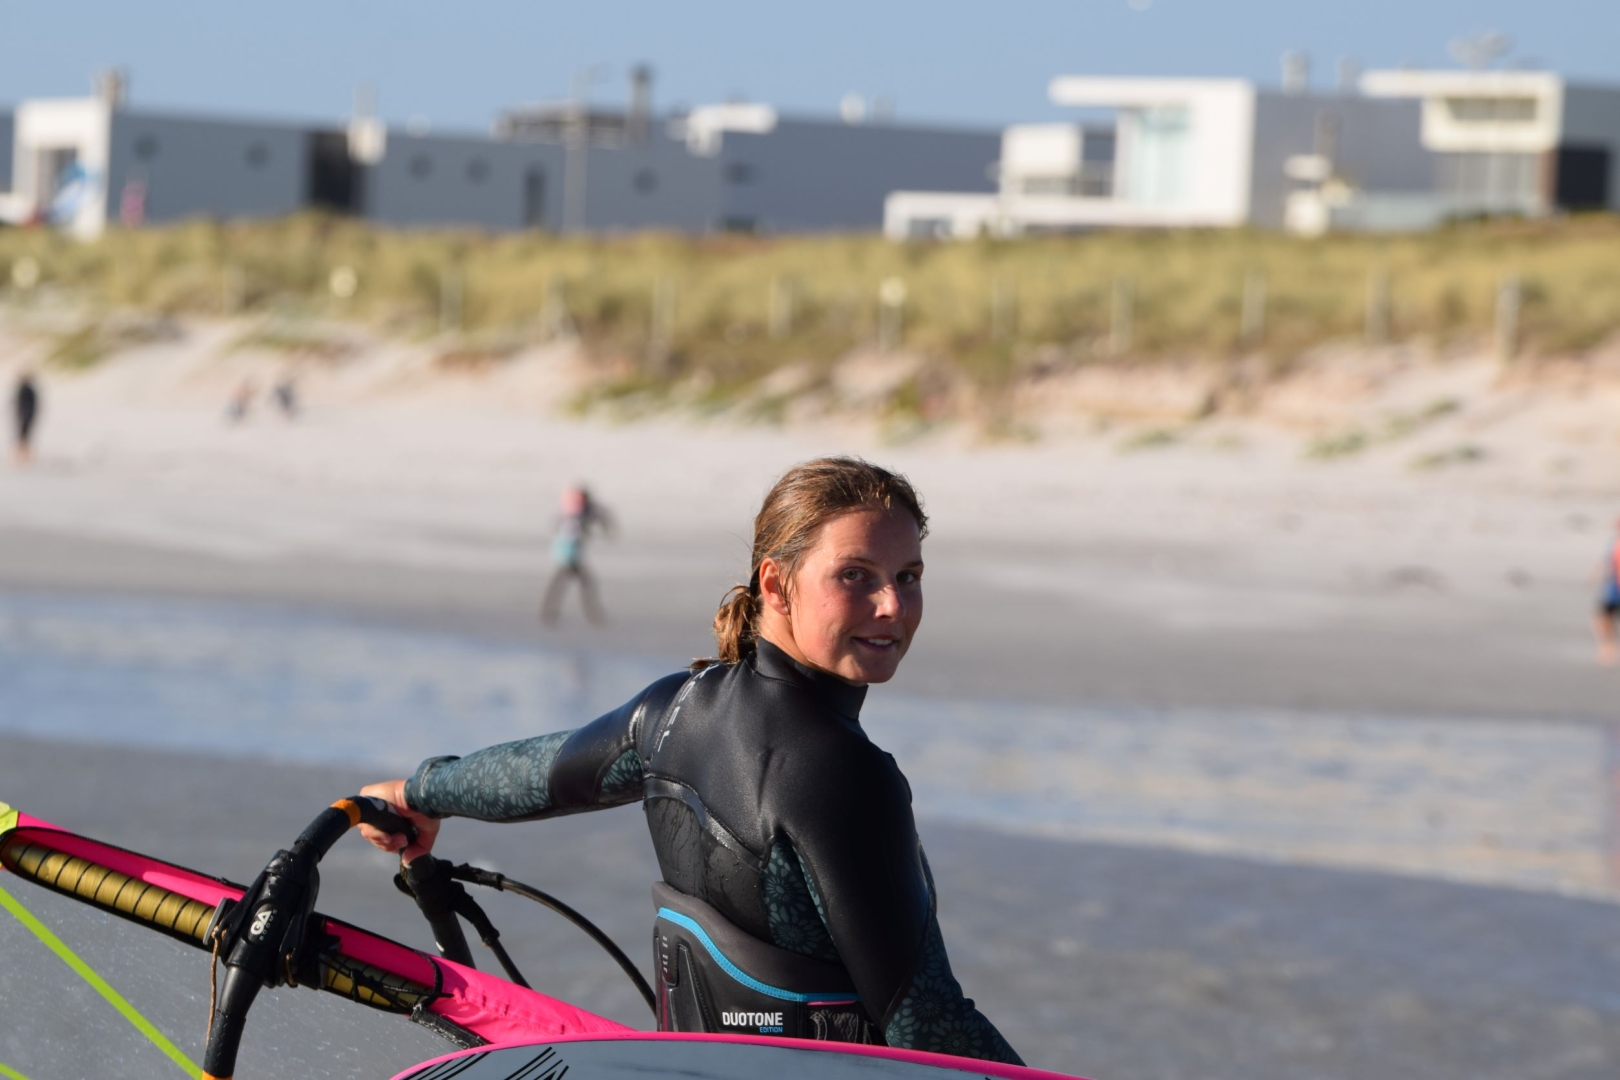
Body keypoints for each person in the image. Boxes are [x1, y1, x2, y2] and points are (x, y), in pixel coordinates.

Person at [360, 458, 1023, 1064]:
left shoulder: (674, 708)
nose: (892, 605)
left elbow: (544, 774)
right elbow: (925, 1024)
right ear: (777, 584)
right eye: (856, 575)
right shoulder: (843, 772)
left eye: (908, 577)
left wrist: (420, 792)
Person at [540, 484, 613, 626]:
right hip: (569, 555)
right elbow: (576, 529)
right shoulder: (575, 514)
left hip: (568, 554)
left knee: (564, 585)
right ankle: (593, 615)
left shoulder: (571, 512)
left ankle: (550, 613)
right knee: (583, 585)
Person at [1595, 518, 1620, 666]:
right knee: (1604, 617)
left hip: (1616, 589)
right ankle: (1608, 649)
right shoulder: (1614, 542)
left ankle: (1608, 650)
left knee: (1604, 617)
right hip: (1612, 587)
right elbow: (1606, 562)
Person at [13, 371, 39, 466]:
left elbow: (25, 405)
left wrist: (23, 415)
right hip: (26, 416)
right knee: (24, 436)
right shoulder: (27, 389)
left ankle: (23, 457)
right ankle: (23, 457)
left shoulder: (25, 390)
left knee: (23, 436)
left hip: (25, 416)